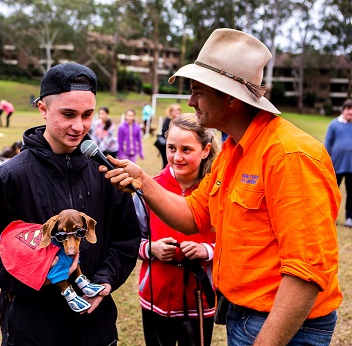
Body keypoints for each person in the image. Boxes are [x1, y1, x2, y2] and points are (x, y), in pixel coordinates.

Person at [101, 28, 342, 346]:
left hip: (281, 327)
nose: (189, 101)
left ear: (230, 98)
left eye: (198, 91)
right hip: (245, 316)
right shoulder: (234, 150)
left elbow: (306, 272)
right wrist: (143, 181)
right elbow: (193, 215)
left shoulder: (289, 154)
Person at [0, 62, 141, 346]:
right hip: (32, 331)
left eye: (87, 115)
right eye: (68, 114)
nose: (79, 126)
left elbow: (126, 240)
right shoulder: (10, 175)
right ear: (42, 108)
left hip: (96, 331)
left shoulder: (107, 173)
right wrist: (32, 277)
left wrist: (103, 282)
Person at [136, 113, 219, 346]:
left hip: (200, 301)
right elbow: (129, 239)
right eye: (171, 148)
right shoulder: (149, 189)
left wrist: (207, 251)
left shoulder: (217, 191)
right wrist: (151, 248)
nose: (177, 157)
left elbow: (236, 243)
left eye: (186, 150)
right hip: (154, 297)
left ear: (205, 150)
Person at [325, 98, 352, 227]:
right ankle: (331, 216)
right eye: (348, 109)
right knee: (333, 192)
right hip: (336, 164)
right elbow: (327, 144)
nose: (350, 112)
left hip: (351, 165)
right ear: (343, 110)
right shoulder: (334, 124)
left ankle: (349, 218)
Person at [156, 103, 182, 168]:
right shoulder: (168, 119)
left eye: (178, 110)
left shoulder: (181, 120)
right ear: (171, 112)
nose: (177, 112)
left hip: (177, 143)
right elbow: (164, 130)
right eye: (175, 110)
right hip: (167, 144)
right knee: (166, 161)